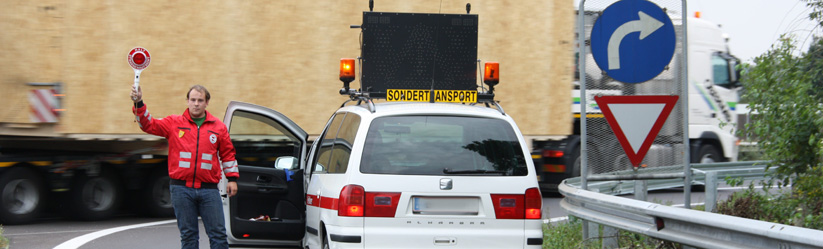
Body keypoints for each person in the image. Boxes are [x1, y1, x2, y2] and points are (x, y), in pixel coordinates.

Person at [131, 85, 239, 249]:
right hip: (181, 189)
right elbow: (148, 124)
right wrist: (139, 102)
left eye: (200, 100)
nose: (196, 104)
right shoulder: (174, 123)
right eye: (193, 100)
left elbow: (228, 154)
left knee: (218, 235)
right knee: (188, 237)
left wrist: (232, 179)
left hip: (209, 189)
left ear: (207, 103)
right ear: (187, 101)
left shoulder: (218, 127)